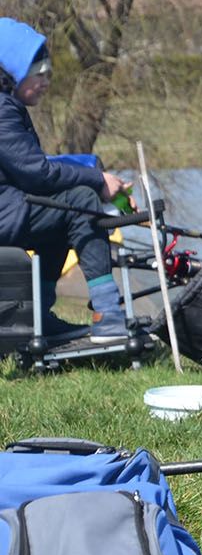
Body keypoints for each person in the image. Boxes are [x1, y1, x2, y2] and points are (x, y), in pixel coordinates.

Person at [0, 19, 131, 343]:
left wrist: (92, 172)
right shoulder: (2, 112)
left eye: (49, 72)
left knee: (60, 211)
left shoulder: (9, 106)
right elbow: (36, 173)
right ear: (12, 70)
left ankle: (38, 316)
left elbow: (31, 169)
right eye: (39, 71)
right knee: (82, 202)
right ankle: (109, 315)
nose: (47, 80)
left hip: (8, 207)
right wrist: (96, 181)